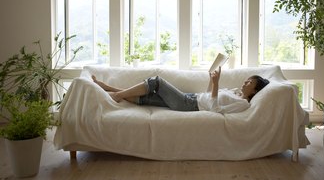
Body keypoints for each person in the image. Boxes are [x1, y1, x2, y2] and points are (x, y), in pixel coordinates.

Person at [92, 67, 270, 114]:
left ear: (255, 89)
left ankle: (115, 94)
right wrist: (211, 81)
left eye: (249, 82)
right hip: (191, 98)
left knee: (157, 82)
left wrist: (216, 85)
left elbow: (215, 110)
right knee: (146, 97)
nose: (245, 82)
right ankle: (109, 89)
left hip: (190, 105)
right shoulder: (235, 92)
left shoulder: (242, 105)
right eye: (247, 80)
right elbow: (209, 96)